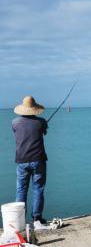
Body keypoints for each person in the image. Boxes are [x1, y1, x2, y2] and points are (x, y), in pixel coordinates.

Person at [12, 96, 48, 229]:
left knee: (21, 189)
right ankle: (37, 218)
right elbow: (43, 132)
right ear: (34, 109)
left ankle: (19, 220)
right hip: (38, 159)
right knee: (38, 188)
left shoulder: (14, 122)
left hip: (21, 160)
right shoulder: (41, 122)